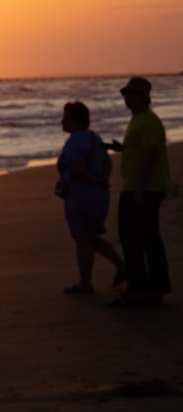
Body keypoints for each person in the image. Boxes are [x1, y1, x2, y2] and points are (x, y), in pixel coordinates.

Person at [107, 77, 172, 307]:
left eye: (132, 95)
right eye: (126, 94)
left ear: (144, 97)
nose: (128, 98)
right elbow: (141, 150)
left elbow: (151, 154)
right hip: (137, 186)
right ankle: (149, 289)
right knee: (141, 238)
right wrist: (122, 149)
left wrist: (139, 189)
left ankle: (142, 290)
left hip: (142, 188)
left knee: (136, 238)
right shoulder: (139, 120)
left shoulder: (148, 120)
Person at [55, 101, 126, 294]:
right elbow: (107, 162)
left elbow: (77, 168)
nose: (62, 122)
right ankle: (121, 266)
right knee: (89, 237)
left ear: (76, 121)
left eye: (66, 118)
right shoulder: (94, 137)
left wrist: (94, 180)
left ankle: (85, 282)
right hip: (98, 195)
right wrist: (103, 179)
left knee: (82, 238)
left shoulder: (76, 140)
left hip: (81, 194)